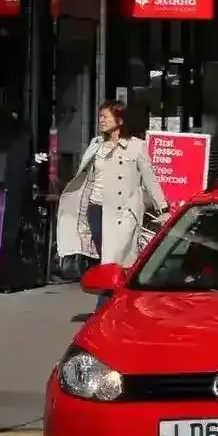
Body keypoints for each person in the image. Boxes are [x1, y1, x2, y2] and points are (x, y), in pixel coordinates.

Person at [54, 101, 170, 308]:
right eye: (100, 117)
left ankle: (106, 308)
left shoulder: (137, 146)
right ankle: (119, 305)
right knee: (110, 263)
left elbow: (151, 180)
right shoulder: (96, 145)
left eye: (105, 117)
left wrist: (163, 209)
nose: (101, 120)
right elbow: (84, 177)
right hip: (97, 210)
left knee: (115, 263)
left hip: (125, 214)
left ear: (120, 120)